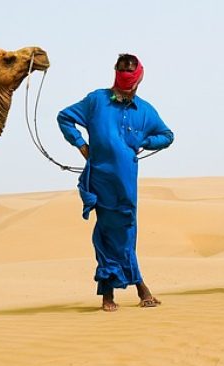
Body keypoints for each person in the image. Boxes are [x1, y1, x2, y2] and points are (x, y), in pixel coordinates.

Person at [57, 54, 174, 312]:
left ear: (139, 75)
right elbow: (64, 117)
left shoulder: (144, 110)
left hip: (126, 184)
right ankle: (116, 293)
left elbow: (167, 136)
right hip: (100, 180)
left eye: (130, 71)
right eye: (122, 69)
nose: (126, 74)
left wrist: (144, 141)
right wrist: (81, 145)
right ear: (115, 71)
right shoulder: (96, 100)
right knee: (106, 234)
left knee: (127, 233)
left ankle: (137, 286)